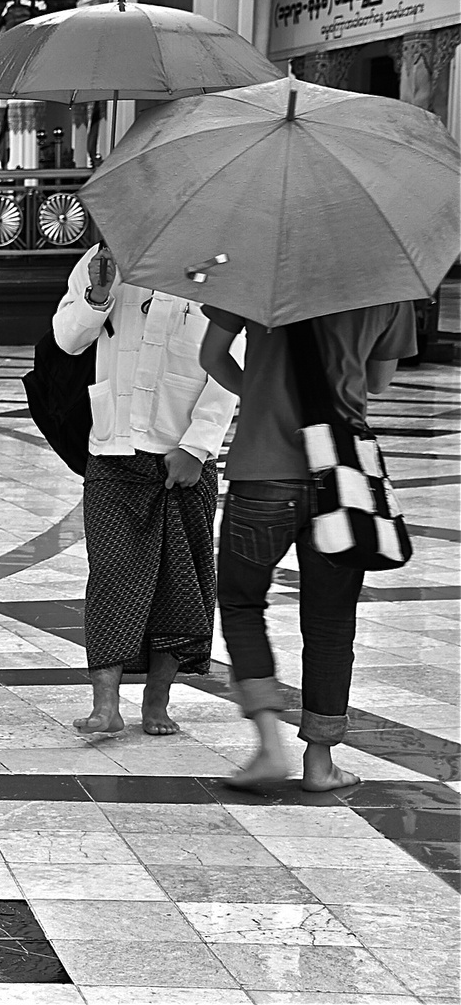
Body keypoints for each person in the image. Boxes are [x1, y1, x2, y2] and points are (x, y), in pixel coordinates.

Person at [200, 301, 416, 791]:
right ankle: (320, 763)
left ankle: (269, 746)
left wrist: (258, 393)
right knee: (331, 620)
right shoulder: (387, 286)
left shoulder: (260, 271)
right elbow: (378, 383)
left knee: (241, 602)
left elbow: (212, 357)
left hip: (262, 471)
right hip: (340, 479)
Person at [54, 243, 237, 736]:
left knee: (180, 585)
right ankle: (105, 706)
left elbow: (231, 370)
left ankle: (157, 701)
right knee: (112, 578)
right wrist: (98, 293)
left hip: (181, 455)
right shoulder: (106, 259)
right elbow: (68, 340)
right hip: (112, 450)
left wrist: (198, 447)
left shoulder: (221, 265)